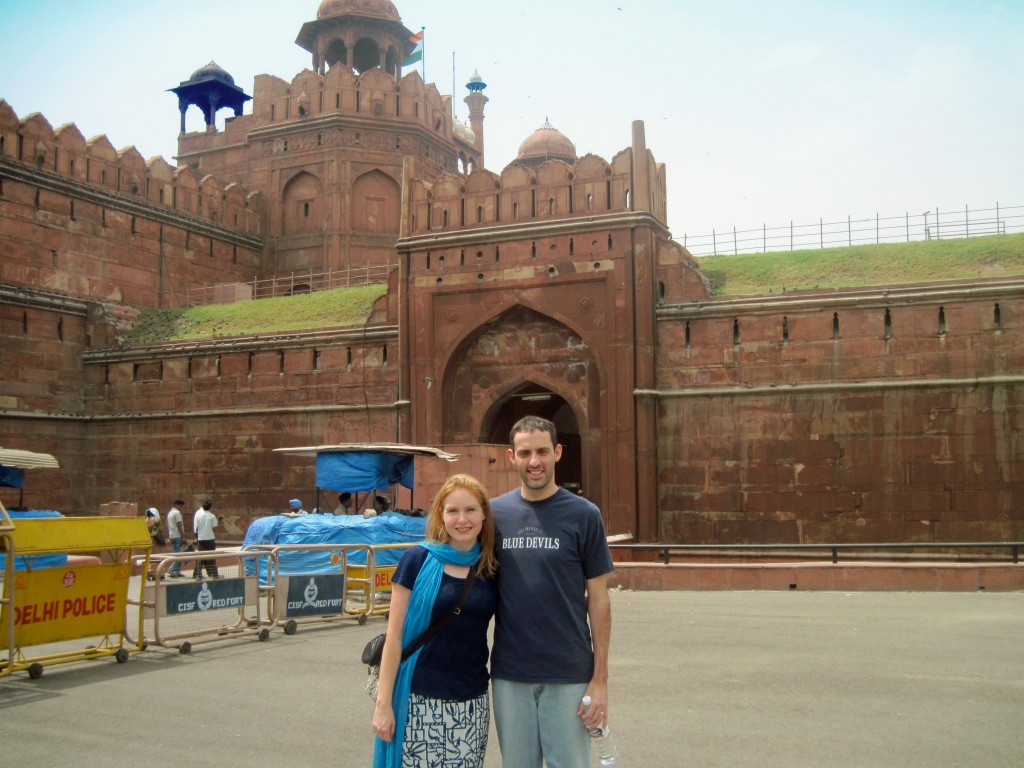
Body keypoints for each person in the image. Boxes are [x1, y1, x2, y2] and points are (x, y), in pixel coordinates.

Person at [489, 415, 614, 768]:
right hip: (510, 673)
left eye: (542, 451)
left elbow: (600, 599)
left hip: (569, 672)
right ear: (511, 457)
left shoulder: (584, 515)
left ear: (557, 453)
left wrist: (599, 680)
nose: (534, 462)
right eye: (525, 453)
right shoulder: (496, 515)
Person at [371, 474, 498, 768]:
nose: (462, 519)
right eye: (453, 510)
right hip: (417, 697)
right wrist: (383, 704)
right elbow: (395, 638)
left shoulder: (490, 568)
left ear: (483, 514)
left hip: (470, 702)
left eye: (470, 510)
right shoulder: (416, 560)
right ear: (441, 514)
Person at [192, 499, 223, 579]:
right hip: (210, 538)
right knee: (212, 557)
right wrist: (218, 521)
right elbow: (214, 527)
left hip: (201, 538)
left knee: (201, 557)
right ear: (210, 507)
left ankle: (198, 575)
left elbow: (196, 527)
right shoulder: (211, 516)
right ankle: (215, 574)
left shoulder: (199, 515)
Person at [166, 499, 187, 578]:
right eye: (180, 505)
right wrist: (183, 536)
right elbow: (179, 525)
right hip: (178, 536)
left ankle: (177, 571)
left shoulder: (170, 513)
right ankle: (171, 569)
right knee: (178, 555)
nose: (181, 507)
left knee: (177, 554)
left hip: (173, 536)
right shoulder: (177, 513)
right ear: (176, 504)